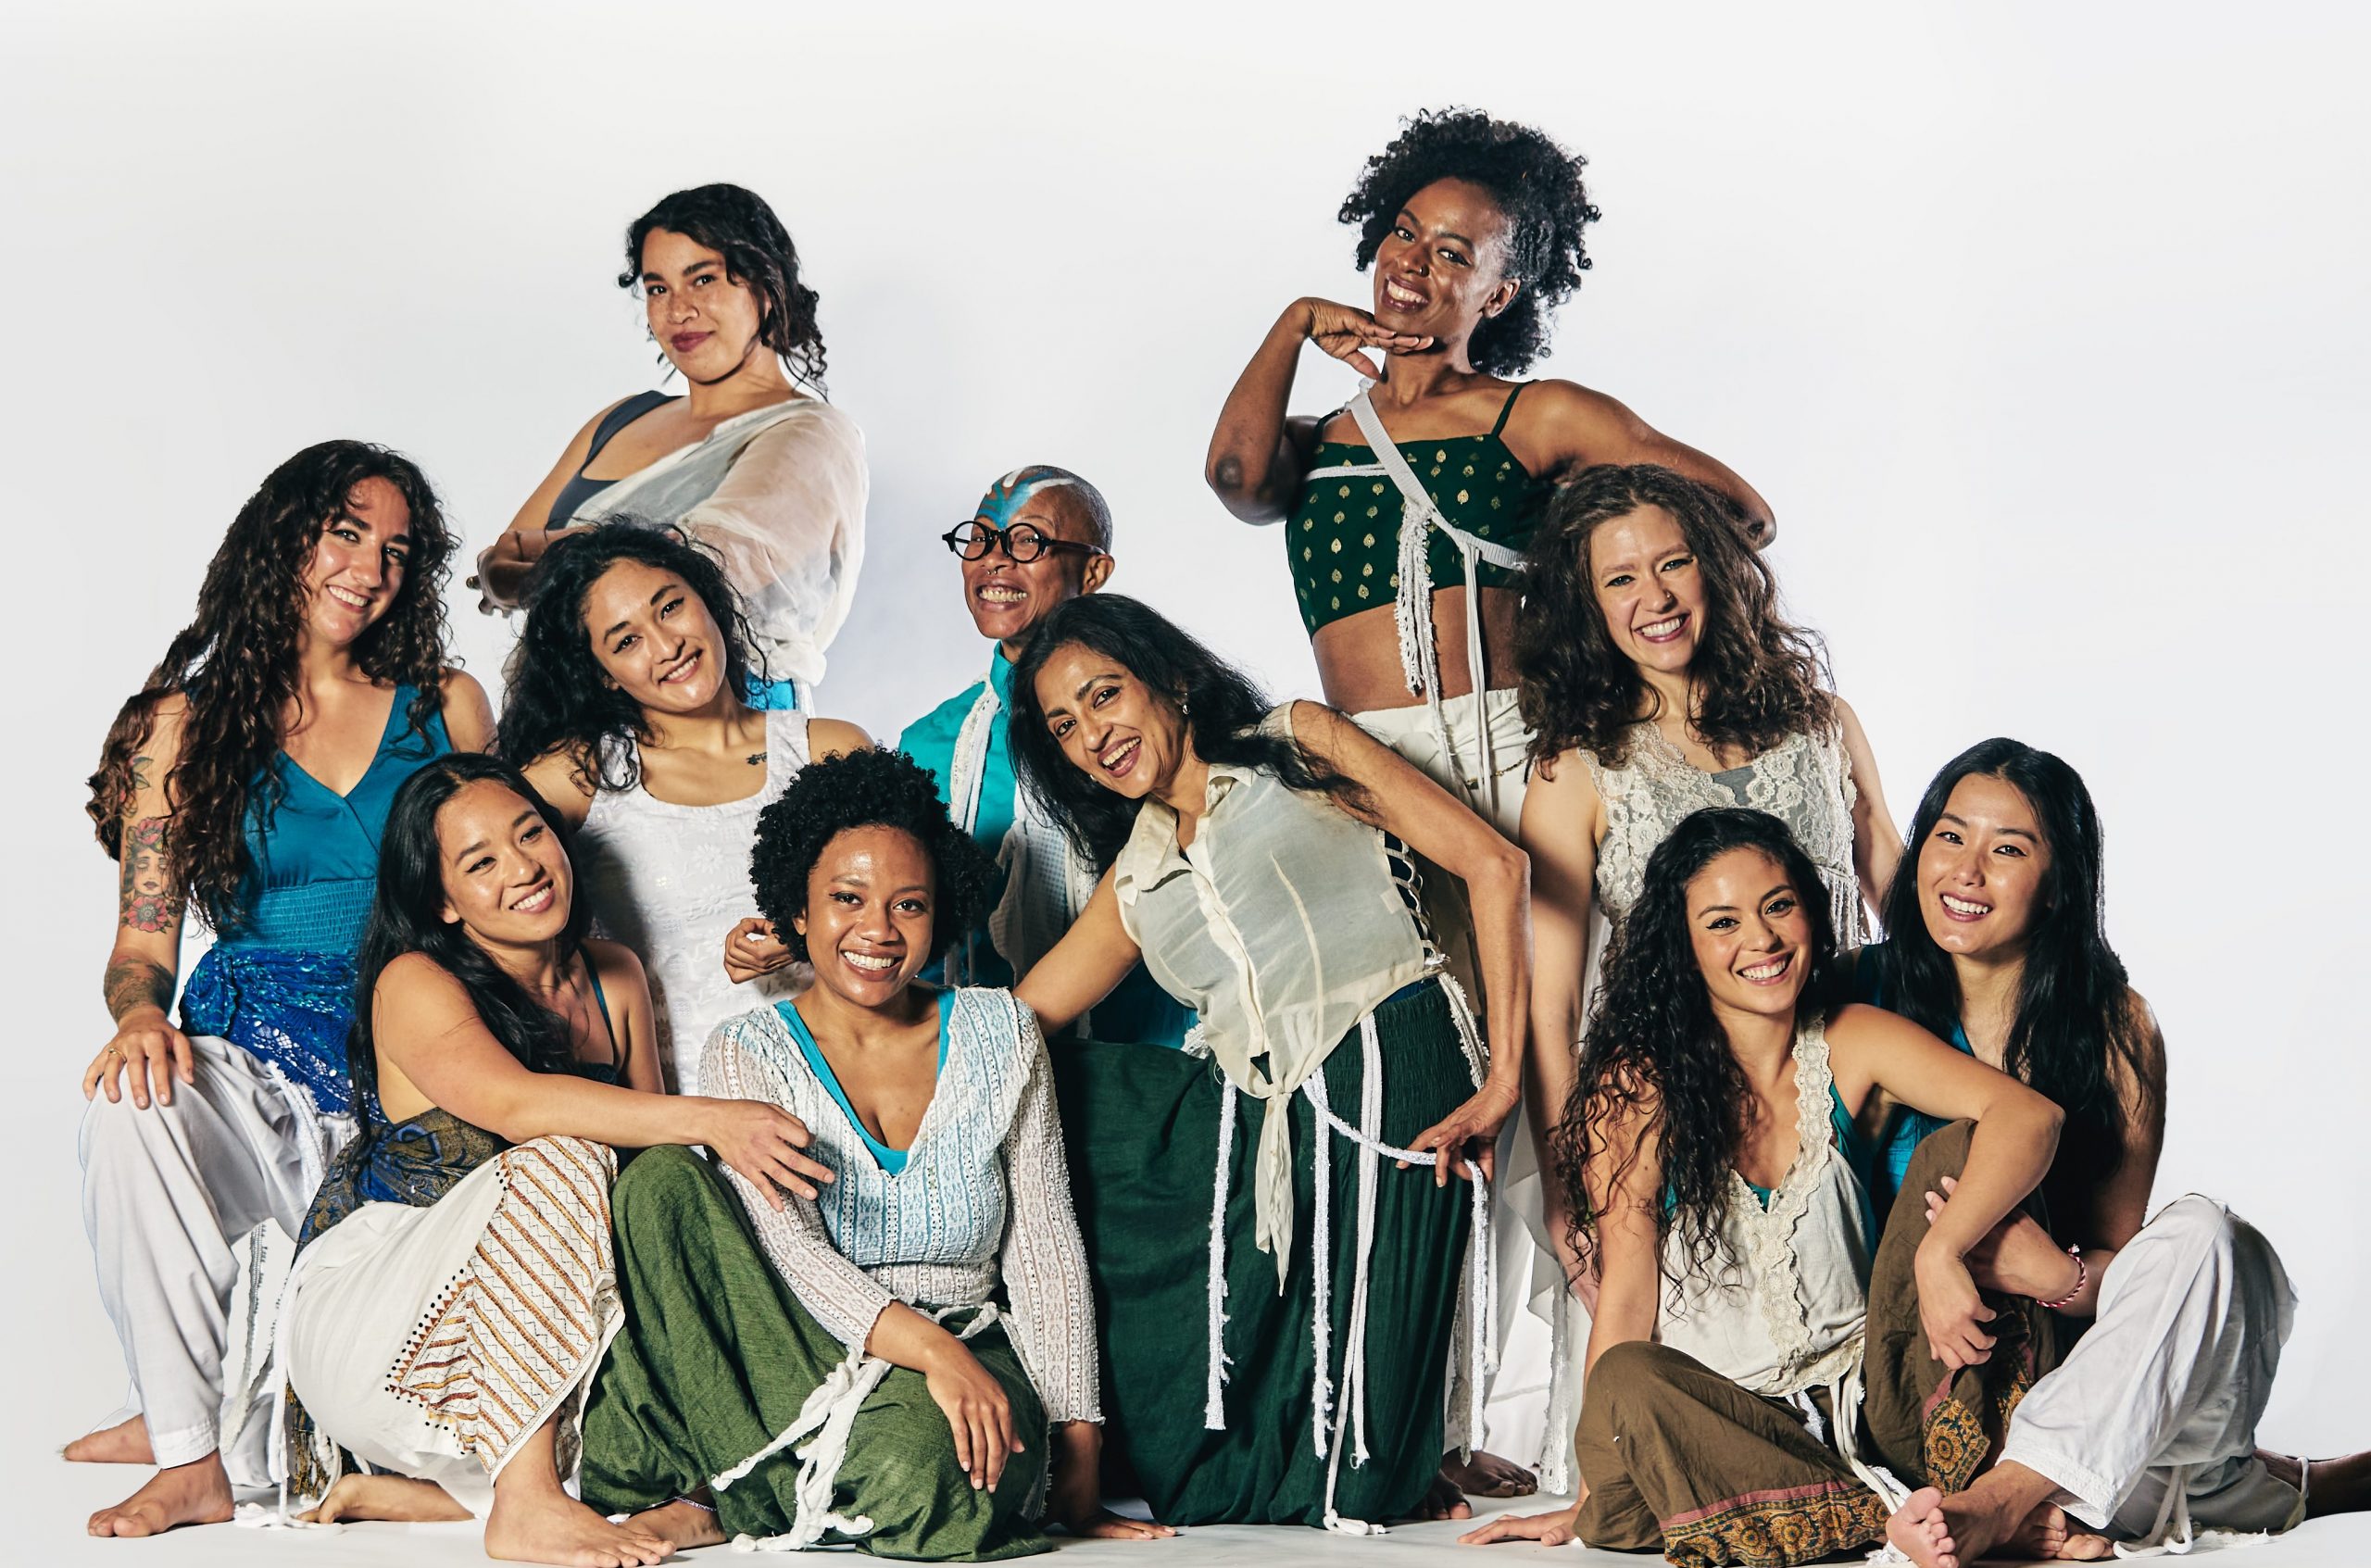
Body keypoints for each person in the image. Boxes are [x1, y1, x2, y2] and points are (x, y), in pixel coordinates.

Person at [1205, 107, 1776, 1489]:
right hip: (1374, 781)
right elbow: (1232, 479)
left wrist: (1592, 586)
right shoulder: (1322, 431)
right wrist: (1293, 321)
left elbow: (1738, 513)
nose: (1414, 265)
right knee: (1440, 1069)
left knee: (1564, 1076)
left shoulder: (1539, 417)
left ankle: (1588, 1407)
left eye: (1453, 251)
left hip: (1521, 761)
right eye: (1403, 234)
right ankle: (1444, 1412)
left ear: (1502, 289)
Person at [1006, 594, 1530, 1528]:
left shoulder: (1295, 742)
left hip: (1390, 1062)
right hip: (1264, 1118)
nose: (1093, 733)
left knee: (1361, 1482)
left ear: (1170, 679)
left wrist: (1503, 1081)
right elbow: (1013, 1022)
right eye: (1065, 724)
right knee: (1054, 1093)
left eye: (1105, 695)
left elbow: (1495, 864)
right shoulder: (1135, 873)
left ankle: (1416, 1445)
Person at [580, 747, 1171, 1558]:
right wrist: (932, 1353)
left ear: (942, 909)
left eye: (909, 904)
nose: (878, 932)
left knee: (941, 1476)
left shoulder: (1001, 1031)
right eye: (847, 899)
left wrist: (1077, 1444)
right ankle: (756, 1479)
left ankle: (733, 1487)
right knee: (659, 1183)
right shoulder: (749, 1050)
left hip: (967, 1328)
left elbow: (1043, 1246)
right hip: (801, 1337)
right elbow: (792, 1255)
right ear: (799, 906)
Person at [1460, 808, 2063, 1565]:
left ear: (1809, 910)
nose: (1762, 940)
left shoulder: (1850, 1042)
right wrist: (1588, 1490)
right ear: (1682, 946)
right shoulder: (1637, 1088)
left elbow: (2028, 1116)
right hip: (1723, 1429)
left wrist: (1941, 1251)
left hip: (1881, 1406)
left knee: (1963, 1151)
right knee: (1625, 1378)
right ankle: (1889, 1514)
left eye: (1778, 905)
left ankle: (1909, 1497)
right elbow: (1625, 1294)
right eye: (1722, 921)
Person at [71, 441, 487, 1537]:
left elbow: (508, 881)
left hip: (412, 1047)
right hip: (255, 1048)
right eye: (345, 532)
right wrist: (135, 1016)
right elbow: (144, 937)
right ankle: (187, 1453)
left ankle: (197, 1393)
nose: (371, 567)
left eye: (397, 549)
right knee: (128, 1105)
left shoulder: (447, 706)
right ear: (284, 538)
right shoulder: (183, 724)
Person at [276, 754, 829, 1567]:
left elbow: (647, 1171)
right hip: (380, 1323)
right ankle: (526, 1500)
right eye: (481, 861)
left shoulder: (616, 976)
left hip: (517, 1350)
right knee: (566, 1155)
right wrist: (715, 1117)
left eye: (529, 832)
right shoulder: (414, 979)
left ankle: (451, 1492)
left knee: (652, 1204)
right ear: (443, 902)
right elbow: (518, 1106)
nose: (524, 866)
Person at [1838, 740, 2371, 1565]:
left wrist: (2053, 1274)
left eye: (2008, 848)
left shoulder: (2117, 1027)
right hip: (1940, 1379)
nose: (1967, 870)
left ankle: (2018, 1499)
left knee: (2213, 1241)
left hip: (2076, 1381)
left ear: (2058, 884)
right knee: (2145, 1450)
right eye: (1950, 835)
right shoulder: (1863, 1003)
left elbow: (2123, 1268)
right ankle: (2253, 1483)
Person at [1510, 462, 1902, 1478]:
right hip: (1690, 1106)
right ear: (1585, 605)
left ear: (1718, 569)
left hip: (1851, 1074)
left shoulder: (1821, 721)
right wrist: (1567, 1186)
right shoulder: (1576, 768)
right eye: (1618, 579)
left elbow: (1900, 902)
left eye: (1673, 562)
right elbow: (1550, 1006)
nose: (1654, 597)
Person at [502, 525, 869, 1092]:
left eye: (670, 607)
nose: (666, 645)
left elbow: (913, 908)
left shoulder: (830, 748)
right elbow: (464, 877)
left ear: (706, 597)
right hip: (693, 1114)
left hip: (856, 1087)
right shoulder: (582, 776)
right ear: (602, 674)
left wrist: (806, 934)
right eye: (626, 641)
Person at [479, 182, 866, 710]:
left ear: (766, 287)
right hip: (574, 714)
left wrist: (532, 569)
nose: (678, 310)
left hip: (727, 728)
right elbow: (504, 554)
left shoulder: (812, 435)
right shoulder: (621, 418)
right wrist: (523, 568)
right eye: (657, 288)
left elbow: (699, 561)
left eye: (702, 279)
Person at [897, 464, 1190, 1046]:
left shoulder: (1154, 724)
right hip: (974, 1066)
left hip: (1152, 1071)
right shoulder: (930, 744)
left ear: (1096, 569)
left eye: (1027, 540)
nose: (994, 560)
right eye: (979, 538)